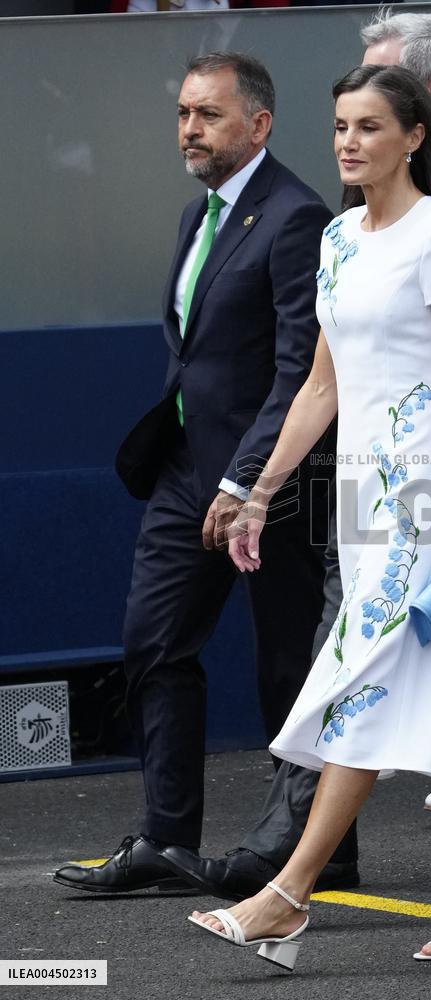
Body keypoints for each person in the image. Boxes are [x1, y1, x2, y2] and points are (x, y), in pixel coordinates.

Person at [162, 9, 431, 920]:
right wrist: (259, 491)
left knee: (386, 672)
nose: (350, 139)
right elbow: (320, 383)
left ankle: (286, 889)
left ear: (418, 119)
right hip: (363, 486)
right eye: (341, 124)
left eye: (370, 119)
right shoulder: (336, 237)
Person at [53, 52, 335, 895]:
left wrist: (249, 478)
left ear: (259, 124)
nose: (189, 128)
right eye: (183, 112)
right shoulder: (196, 215)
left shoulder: (296, 218)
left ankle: (312, 848)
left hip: (272, 482)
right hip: (185, 473)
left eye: (208, 115)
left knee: (290, 663)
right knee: (153, 641)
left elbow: (298, 370)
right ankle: (166, 840)